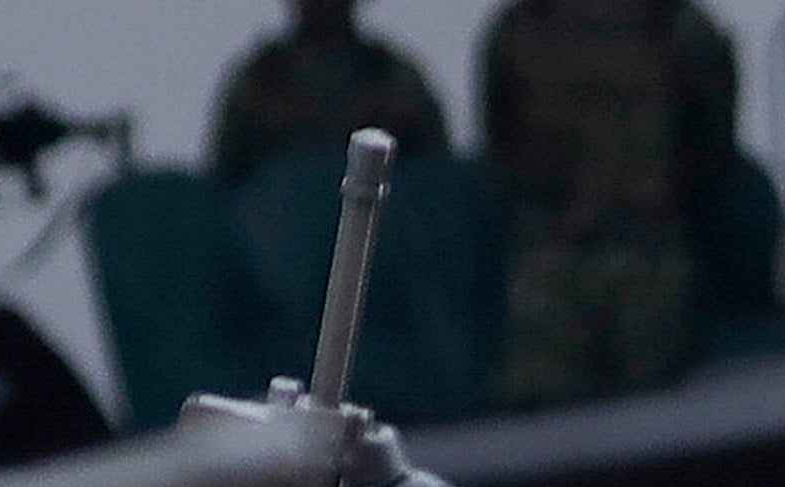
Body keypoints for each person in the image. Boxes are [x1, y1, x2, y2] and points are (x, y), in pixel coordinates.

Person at [481, 0, 741, 406]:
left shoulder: (676, 25)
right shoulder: (523, 24)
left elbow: (711, 154)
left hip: (632, 254)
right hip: (568, 258)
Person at [211, 0, 453, 176]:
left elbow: (437, 176)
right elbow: (226, 180)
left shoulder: (389, 76)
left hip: (381, 229)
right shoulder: (264, 79)